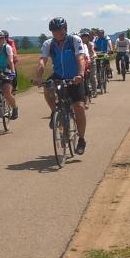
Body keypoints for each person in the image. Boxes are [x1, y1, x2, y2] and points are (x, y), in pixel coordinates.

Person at [32, 17, 88, 155]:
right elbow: (42, 61)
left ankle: (81, 139)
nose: (57, 33)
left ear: (65, 29)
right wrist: (38, 76)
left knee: (79, 108)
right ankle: (54, 111)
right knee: (47, 87)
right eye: (54, 31)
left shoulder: (74, 40)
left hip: (74, 77)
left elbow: (80, 58)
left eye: (59, 30)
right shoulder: (48, 43)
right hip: (58, 75)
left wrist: (80, 75)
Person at [79, 29, 96, 106]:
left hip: (89, 62)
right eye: (83, 37)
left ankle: (93, 92)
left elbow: (92, 51)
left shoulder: (89, 44)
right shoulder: (78, 45)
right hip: (81, 64)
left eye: (86, 37)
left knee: (92, 77)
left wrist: (93, 56)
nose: (84, 38)